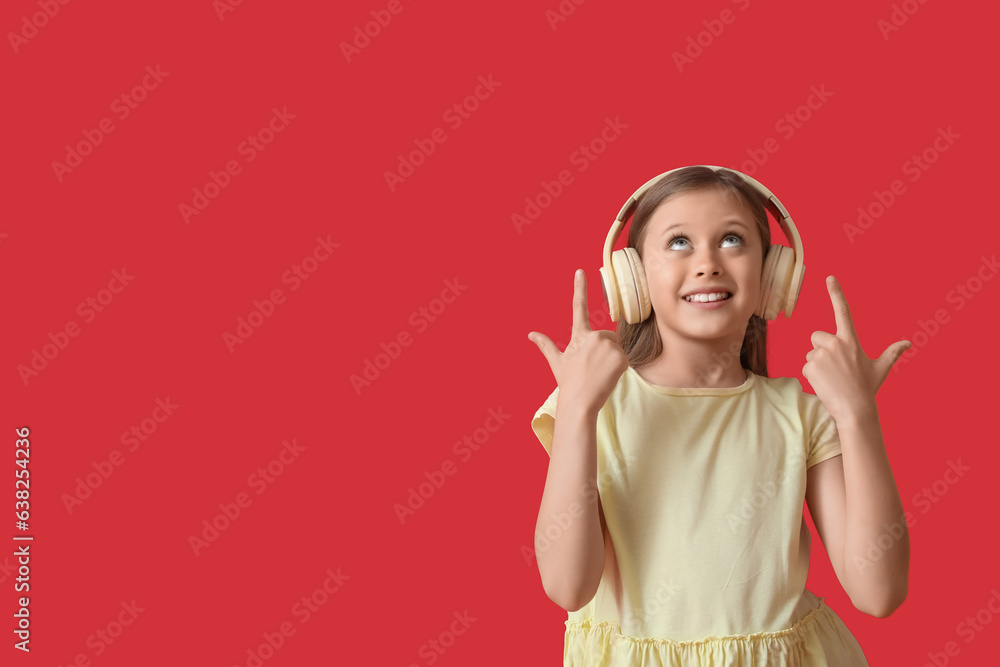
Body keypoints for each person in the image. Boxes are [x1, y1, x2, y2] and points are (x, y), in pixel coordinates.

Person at [526, 166, 911, 666]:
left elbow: (878, 593)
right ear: (633, 278)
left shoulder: (799, 415)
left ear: (772, 275)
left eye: (732, 239)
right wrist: (577, 410)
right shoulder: (594, 405)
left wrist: (859, 416)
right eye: (679, 242)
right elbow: (566, 586)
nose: (707, 263)